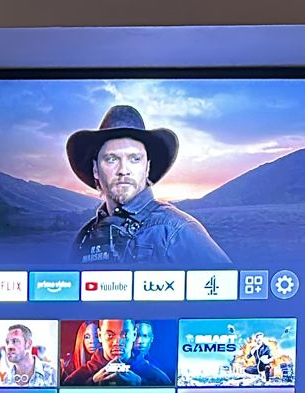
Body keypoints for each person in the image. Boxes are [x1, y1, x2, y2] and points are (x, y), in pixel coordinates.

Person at [66, 104, 230, 269]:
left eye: (135, 159)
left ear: (147, 168)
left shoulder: (176, 231)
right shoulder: (85, 237)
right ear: (96, 169)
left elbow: (224, 282)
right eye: (111, 159)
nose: (123, 170)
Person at [61, 318, 172, 389]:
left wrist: (141, 384)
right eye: (110, 335)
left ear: (134, 335)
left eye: (124, 335)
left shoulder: (159, 379)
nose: (117, 342)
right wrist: (92, 383)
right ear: (100, 336)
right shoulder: (74, 380)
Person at [3, 322, 55, 388]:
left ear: (28, 344)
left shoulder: (52, 373)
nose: (9, 347)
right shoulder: (6, 378)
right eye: (7, 342)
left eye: (15, 341)